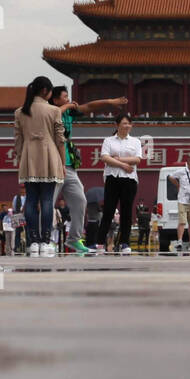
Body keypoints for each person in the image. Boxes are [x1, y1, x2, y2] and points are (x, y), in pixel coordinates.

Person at [51, 87, 126, 256]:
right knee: (49, 202)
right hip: (52, 164)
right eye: (65, 97)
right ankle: (47, 240)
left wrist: (110, 102)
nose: (69, 99)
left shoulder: (69, 113)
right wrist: (69, 106)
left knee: (80, 200)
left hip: (69, 166)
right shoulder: (51, 112)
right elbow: (56, 112)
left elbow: (89, 107)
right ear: (55, 100)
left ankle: (74, 238)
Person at [13, 76, 67, 257]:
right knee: (46, 200)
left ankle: (33, 241)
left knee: (30, 199)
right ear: (45, 91)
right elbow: (60, 139)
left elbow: (18, 140)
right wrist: (61, 162)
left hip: (29, 158)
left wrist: (22, 159)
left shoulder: (20, 111)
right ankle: (45, 241)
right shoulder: (54, 110)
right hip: (49, 156)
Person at [95, 112, 142, 255]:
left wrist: (118, 159)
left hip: (129, 179)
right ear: (117, 125)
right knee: (108, 211)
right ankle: (100, 243)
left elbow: (137, 159)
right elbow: (105, 157)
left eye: (129, 123)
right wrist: (122, 165)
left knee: (126, 212)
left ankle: (124, 243)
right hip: (112, 178)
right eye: (124, 123)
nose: (127, 126)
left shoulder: (135, 141)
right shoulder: (109, 140)